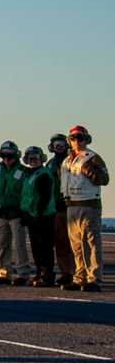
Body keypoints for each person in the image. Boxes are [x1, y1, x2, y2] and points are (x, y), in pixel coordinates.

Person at [61, 125, 107, 293]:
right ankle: (79, 277)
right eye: (73, 138)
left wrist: (90, 171)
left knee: (91, 242)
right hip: (71, 204)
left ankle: (94, 278)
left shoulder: (92, 158)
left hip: (89, 204)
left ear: (86, 139)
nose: (77, 141)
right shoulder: (66, 161)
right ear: (69, 141)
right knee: (76, 245)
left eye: (80, 138)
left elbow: (104, 178)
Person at [0, 141, 31, 286]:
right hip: (1, 213)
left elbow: (27, 193)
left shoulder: (23, 171)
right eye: (4, 156)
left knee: (19, 244)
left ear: (16, 156)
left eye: (10, 156)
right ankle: (4, 273)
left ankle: (23, 274)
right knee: (2, 244)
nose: (7, 159)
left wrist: (25, 211)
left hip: (17, 213)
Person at [19, 146, 58, 288]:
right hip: (32, 215)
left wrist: (39, 213)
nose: (33, 161)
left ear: (41, 159)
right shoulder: (29, 175)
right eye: (30, 158)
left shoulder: (43, 174)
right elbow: (27, 196)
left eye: (36, 158)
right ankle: (39, 273)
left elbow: (44, 197)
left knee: (45, 247)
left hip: (44, 216)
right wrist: (26, 213)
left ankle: (47, 276)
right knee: (36, 247)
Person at [47, 133, 74, 288]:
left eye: (62, 145)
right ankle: (66, 273)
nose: (59, 148)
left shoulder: (72, 162)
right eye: (56, 145)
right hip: (55, 208)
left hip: (71, 205)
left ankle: (78, 272)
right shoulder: (50, 164)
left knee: (74, 242)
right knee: (60, 242)